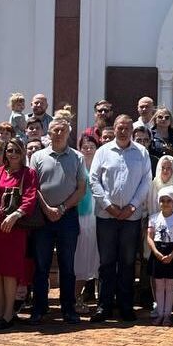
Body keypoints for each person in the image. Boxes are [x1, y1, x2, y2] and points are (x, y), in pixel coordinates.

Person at [88, 114, 152, 322]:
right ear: (113, 129)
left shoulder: (141, 152)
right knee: (106, 262)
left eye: (126, 127)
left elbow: (146, 181)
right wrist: (108, 205)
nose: (123, 131)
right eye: (119, 127)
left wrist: (132, 206)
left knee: (126, 263)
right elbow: (94, 180)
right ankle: (103, 306)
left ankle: (126, 306)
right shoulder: (103, 151)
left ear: (132, 130)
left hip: (131, 218)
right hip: (106, 216)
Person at [29, 118, 86, 325]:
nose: (59, 133)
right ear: (49, 133)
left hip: (68, 217)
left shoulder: (77, 157)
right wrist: (47, 209)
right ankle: (39, 309)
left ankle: (68, 309)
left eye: (63, 130)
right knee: (41, 266)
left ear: (68, 132)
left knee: (67, 266)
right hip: (42, 218)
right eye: (55, 130)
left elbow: (81, 189)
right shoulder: (37, 156)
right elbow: (32, 187)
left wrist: (61, 208)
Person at [0, 139, 36, 329]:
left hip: (14, 229)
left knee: (10, 271)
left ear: (22, 153)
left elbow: (30, 198)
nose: (12, 154)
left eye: (16, 151)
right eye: (9, 150)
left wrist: (15, 215)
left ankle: (7, 316)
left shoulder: (28, 174)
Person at [146, 186, 173, 326]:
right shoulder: (153, 218)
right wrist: (156, 252)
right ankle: (160, 313)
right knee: (158, 286)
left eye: (169, 200)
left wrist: (172, 255)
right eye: (162, 200)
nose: (165, 203)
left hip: (172, 253)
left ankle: (167, 315)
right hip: (157, 253)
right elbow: (150, 238)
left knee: (169, 285)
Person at [73, 132, 100, 312]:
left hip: (98, 218)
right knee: (79, 260)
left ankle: (99, 300)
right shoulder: (76, 165)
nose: (88, 150)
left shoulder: (101, 165)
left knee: (96, 259)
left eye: (92, 147)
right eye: (85, 147)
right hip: (80, 218)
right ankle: (75, 299)